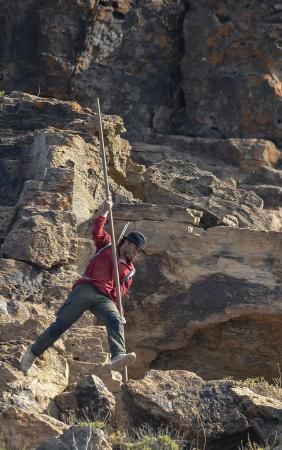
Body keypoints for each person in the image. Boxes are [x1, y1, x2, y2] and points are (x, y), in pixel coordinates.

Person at [20, 199, 146, 374]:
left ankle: (118, 355)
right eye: (137, 249)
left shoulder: (130, 270)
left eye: (139, 252)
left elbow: (119, 294)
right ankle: (33, 353)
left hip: (105, 298)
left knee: (115, 319)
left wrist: (121, 313)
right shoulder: (108, 245)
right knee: (62, 325)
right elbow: (97, 231)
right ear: (128, 243)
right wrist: (104, 211)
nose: (137, 253)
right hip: (86, 288)